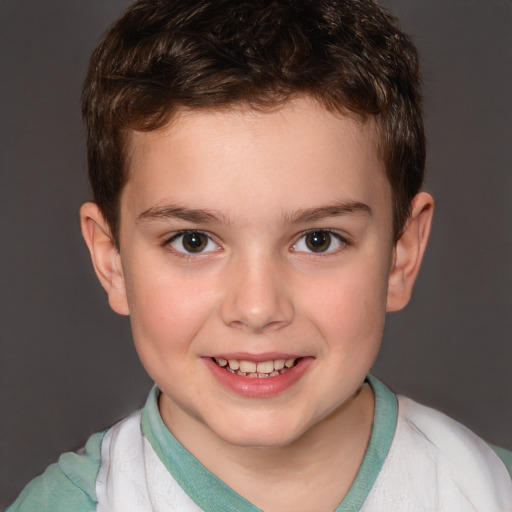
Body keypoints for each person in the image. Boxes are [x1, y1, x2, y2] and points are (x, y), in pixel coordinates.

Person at [7, 0, 511, 510]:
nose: (256, 308)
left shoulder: (490, 490)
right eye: (193, 241)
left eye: (318, 239)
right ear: (112, 259)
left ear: (401, 255)